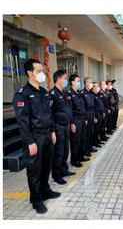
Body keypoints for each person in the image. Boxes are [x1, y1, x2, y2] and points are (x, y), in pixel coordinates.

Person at [12, 59, 60, 214]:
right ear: (30, 73)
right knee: (35, 170)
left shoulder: (44, 92)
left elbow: (49, 115)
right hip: (35, 137)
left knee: (46, 165)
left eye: (42, 71)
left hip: (47, 135)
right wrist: (30, 142)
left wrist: (52, 131)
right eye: (39, 71)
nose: (42, 74)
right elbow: (22, 122)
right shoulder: (22, 95)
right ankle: (36, 199)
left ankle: (45, 190)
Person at [49, 69, 74, 185]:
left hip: (65, 126)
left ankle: (63, 170)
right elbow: (50, 114)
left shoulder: (63, 93)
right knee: (58, 152)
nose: (66, 80)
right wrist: (53, 131)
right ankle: (57, 175)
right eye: (65, 78)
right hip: (58, 126)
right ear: (59, 79)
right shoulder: (52, 94)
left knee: (65, 150)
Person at [67, 74, 88, 167]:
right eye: (77, 81)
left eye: (79, 81)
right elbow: (70, 110)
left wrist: (85, 118)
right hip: (75, 120)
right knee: (75, 141)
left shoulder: (79, 93)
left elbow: (83, 107)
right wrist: (72, 123)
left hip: (82, 118)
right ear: (72, 82)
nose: (79, 83)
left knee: (82, 139)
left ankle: (81, 156)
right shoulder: (69, 94)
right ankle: (74, 160)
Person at [81, 77, 97, 156]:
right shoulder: (82, 93)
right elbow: (82, 107)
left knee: (91, 132)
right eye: (90, 82)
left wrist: (94, 116)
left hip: (91, 114)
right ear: (86, 83)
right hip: (86, 115)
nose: (92, 84)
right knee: (86, 134)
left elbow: (93, 106)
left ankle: (90, 147)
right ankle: (85, 150)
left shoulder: (91, 93)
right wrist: (85, 118)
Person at [91, 82, 105, 148]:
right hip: (96, 114)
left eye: (97, 86)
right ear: (93, 88)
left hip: (100, 114)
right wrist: (94, 117)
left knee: (99, 129)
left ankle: (98, 141)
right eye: (95, 86)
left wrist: (103, 112)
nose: (97, 88)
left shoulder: (98, 95)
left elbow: (101, 104)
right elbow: (93, 107)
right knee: (96, 130)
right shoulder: (92, 95)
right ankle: (95, 143)